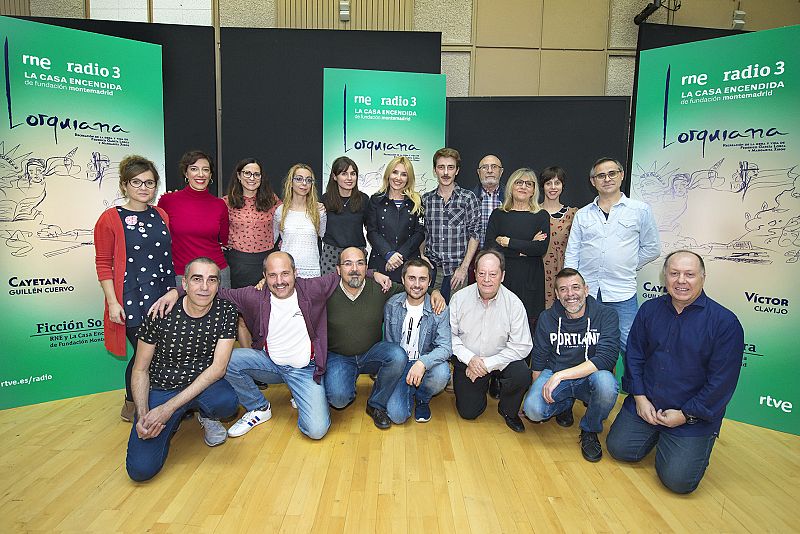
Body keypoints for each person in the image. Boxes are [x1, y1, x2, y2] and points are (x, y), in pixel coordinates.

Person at [150, 249, 392, 440]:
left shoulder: (313, 288)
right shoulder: (253, 296)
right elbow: (214, 291)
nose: (279, 281)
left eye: (285, 274)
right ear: (264, 277)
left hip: (304, 370)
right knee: (230, 360)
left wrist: (373, 273)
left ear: (295, 273)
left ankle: (301, 394)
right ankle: (258, 407)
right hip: (270, 364)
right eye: (273, 275)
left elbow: (349, 272)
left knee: (317, 430)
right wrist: (176, 292)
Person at [607, 250, 745, 494]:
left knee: (678, 482)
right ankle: (658, 435)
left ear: (703, 277)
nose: (681, 281)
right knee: (619, 449)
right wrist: (639, 398)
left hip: (692, 416)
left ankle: (682, 442)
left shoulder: (725, 323)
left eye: (689, 274)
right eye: (674, 273)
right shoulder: (649, 310)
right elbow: (635, 355)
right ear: (665, 276)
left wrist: (686, 414)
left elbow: (721, 383)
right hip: (647, 403)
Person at [126, 257, 238, 482]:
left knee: (228, 404)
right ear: (184, 284)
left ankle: (204, 416)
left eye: (212, 280)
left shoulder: (226, 311)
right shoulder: (160, 312)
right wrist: (143, 413)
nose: (205, 287)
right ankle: (173, 418)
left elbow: (217, 369)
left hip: (202, 385)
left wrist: (168, 409)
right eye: (197, 279)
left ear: (218, 285)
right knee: (141, 470)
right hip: (162, 387)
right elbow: (140, 370)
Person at [324, 247, 446, 429]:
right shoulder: (326, 291)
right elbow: (299, 286)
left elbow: (415, 289)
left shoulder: (382, 289)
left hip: (372, 354)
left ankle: (376, 404)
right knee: (339, 399)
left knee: (398, 355)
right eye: (348, 264)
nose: (354, 269)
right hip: (340, 356)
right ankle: (344, 387)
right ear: (338, 269)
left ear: (366, 267)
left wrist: (435, 292)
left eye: (360, 263)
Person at [94, 155, 173, 423]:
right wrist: (113, 302)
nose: (143, 187)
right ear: (124, 185)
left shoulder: (161, 214)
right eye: (136, 182)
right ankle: (133, 404)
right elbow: (103, 263)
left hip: (163, 296)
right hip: (131, 298)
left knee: (162, 351)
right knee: (145, 353)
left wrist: (174, 291)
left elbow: (166, 258)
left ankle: (160, 401)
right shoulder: (110, 218)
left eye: (149, 182)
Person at [522, 268, 620, 462]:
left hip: (590, 375)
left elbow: (606, 359)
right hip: (555, 370)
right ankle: (565, 403)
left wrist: (560, 376)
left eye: (575, 287)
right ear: (557, 295)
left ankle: (589, 430)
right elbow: (539, 358)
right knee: (533, 410)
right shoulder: (547, 318)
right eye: (564, 290)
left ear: (586, 289)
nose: (570, 294)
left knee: (607, 384)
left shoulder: (606, 315)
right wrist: (536, 392)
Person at [564, 157, 660, 349]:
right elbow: (572, 251)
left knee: (630, 345)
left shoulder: (640, 210)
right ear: (593, 181)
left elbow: (652, 248)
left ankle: (634, 381)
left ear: (621, 175)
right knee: (585, 345)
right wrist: (572, 287)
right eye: (601, 175)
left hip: (622, 292)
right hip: (587, 292)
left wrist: (630, 264)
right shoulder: (583, 214)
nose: (607, 179)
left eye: (612, 173)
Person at [449, 249, 533, 432]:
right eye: (482, 273)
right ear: (475, 274)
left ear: (502, 276)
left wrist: (487, 364)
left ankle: (508, 410)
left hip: (501, 360)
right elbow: (451, 336)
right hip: (469, 360)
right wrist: (471, 359)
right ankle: (484, 386)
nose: (487, 279)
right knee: (469, 412)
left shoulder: (514, 303)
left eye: (493, 274)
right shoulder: (459, 298)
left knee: (521, 374)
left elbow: (523, 345)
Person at [384, 259, 451, 424]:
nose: (417, 284)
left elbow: (445, 347)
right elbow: (388, 344)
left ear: (429, 282)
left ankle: (422, 398)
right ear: (403, 279)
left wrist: (422, 363)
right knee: (397, 416)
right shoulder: (392, 304)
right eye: (412, 278)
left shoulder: (439, 309)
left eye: (422, 279)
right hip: (399, 364)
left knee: (442, 373)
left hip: (425, 363)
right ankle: (407, 389)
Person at [157, 150, 230, 287]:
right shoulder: (168, 201)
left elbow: (225, 239)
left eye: (205, 170)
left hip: (216, 273)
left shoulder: (220, 204)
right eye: (194, 169)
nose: (200, 174)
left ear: (210, 175)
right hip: (182, 274)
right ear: (186, 173)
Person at [421, 147, 481, 303]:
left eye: (450, 167)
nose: (446, 172)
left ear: (457, 170)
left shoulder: (468, 198)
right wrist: (422, 255)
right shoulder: (426, 200)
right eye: (441, 167)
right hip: (433, 271)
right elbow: (422, 233)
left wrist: (463, 268)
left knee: (456, 317)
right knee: (431, 315)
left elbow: (475, 234)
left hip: (457, 271)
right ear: (435, 170)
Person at [223, 157, 281, 289]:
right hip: (238, 263)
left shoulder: (272, 200)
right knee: (239, 304)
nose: (252, 178)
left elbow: (288, 220)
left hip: (265, 262)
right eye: (247, 173)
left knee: (263, 304)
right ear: (239, 175)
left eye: (256, 174)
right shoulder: (226, 202)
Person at [366, 156, 425, 283]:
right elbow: (372, 232)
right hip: (380, 263)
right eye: (395, 172)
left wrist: (398, 257)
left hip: (409, 265)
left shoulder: (417, 201)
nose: (398, 178)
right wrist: (388, 254)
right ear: (388, 174)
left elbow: (419, 233)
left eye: (404, 174)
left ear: (409, 178)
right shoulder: (375, 200)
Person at [273, 163, 326, 278]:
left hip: (312, 270)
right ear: (291, 182)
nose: (304, 183)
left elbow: (322, 234)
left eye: (308, 180)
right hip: (286, 271)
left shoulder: (319, 211)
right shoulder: (280, 211)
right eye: (299, 179)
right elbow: (273, 239)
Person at [320, 156, 370, 274]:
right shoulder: (325, 199)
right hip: (331, 255)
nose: (349, 178)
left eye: (353, 174)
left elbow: (371, 228)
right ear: (334, 176)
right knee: (329, 290)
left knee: (355, 290)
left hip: (356, 254)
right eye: (344, 173)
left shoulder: (363, 199)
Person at [539, 166, 578, 310]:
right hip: (537, 271)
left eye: (557, 183)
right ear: (542, 186)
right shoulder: (533, 212)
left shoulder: (573, 214)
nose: (553, 187)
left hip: (562, 270)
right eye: (548, 183)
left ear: (563, 186)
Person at [471, 154, 505, 249]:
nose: (490, 171)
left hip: (503, 256)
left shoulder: (511, 198)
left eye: (494, 167)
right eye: (484, 167)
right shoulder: (468, 199)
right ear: (478, 172)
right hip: (475, 255)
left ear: (501, 171)